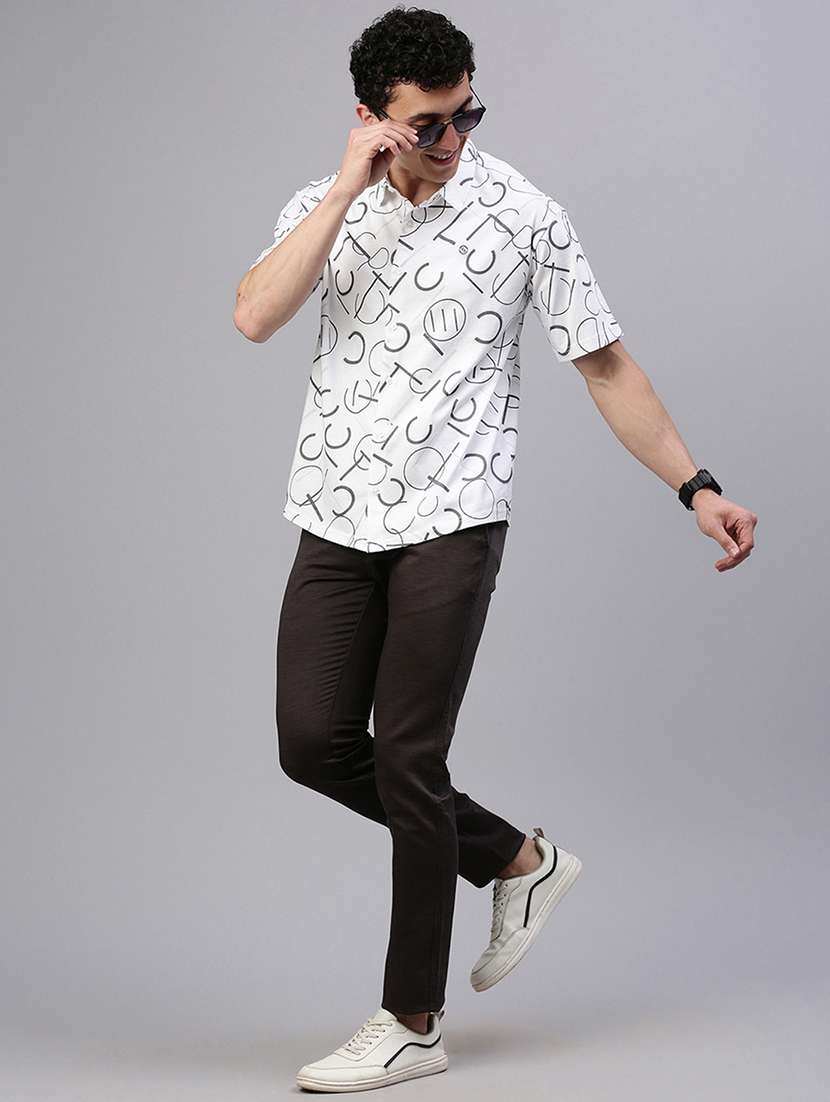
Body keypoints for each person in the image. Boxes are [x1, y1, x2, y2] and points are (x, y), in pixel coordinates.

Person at [233, 7, 758, 1093]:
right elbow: (253, 314)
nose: (453, 138)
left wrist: (695, 485)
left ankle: (411, 1020)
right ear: (372, 118)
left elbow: (605, 365)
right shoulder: (321, 207)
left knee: (407, 757)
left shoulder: (522, 214)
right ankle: (519, 860)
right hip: (335, 510)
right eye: (427, 123)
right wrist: (343, 189)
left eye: (467, 113)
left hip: (453, 514)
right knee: (312, 742)